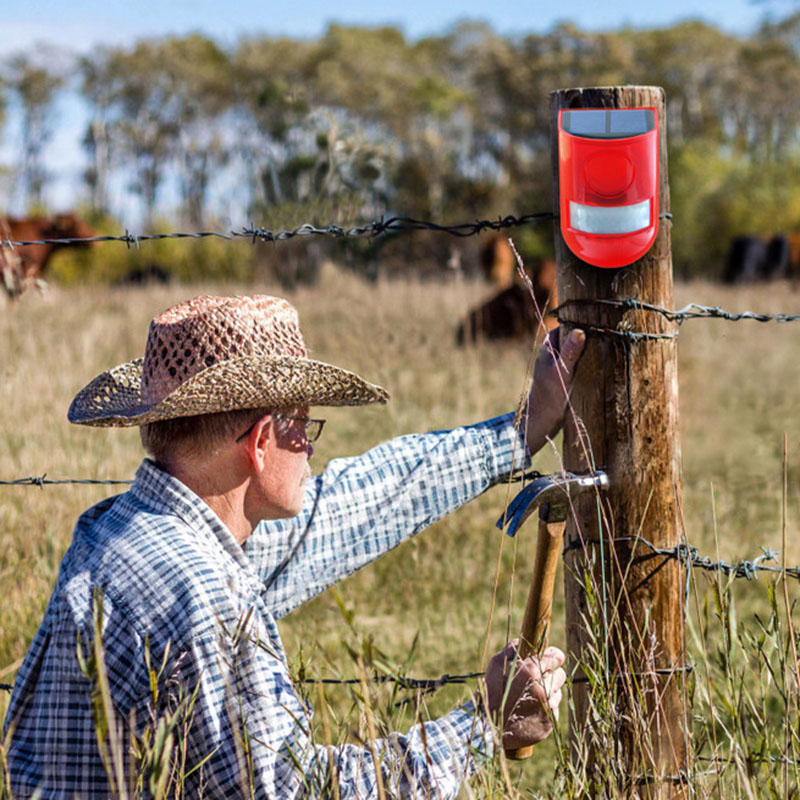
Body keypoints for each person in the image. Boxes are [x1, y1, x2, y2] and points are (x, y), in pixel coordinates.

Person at [4, 294, 585, 799]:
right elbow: (298, 791)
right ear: (260, 443)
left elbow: (354, 506)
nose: (309, 449)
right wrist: (482, 723)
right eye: (304, 427)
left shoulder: (115, 531)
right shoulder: (208, 598)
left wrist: (519, 432)